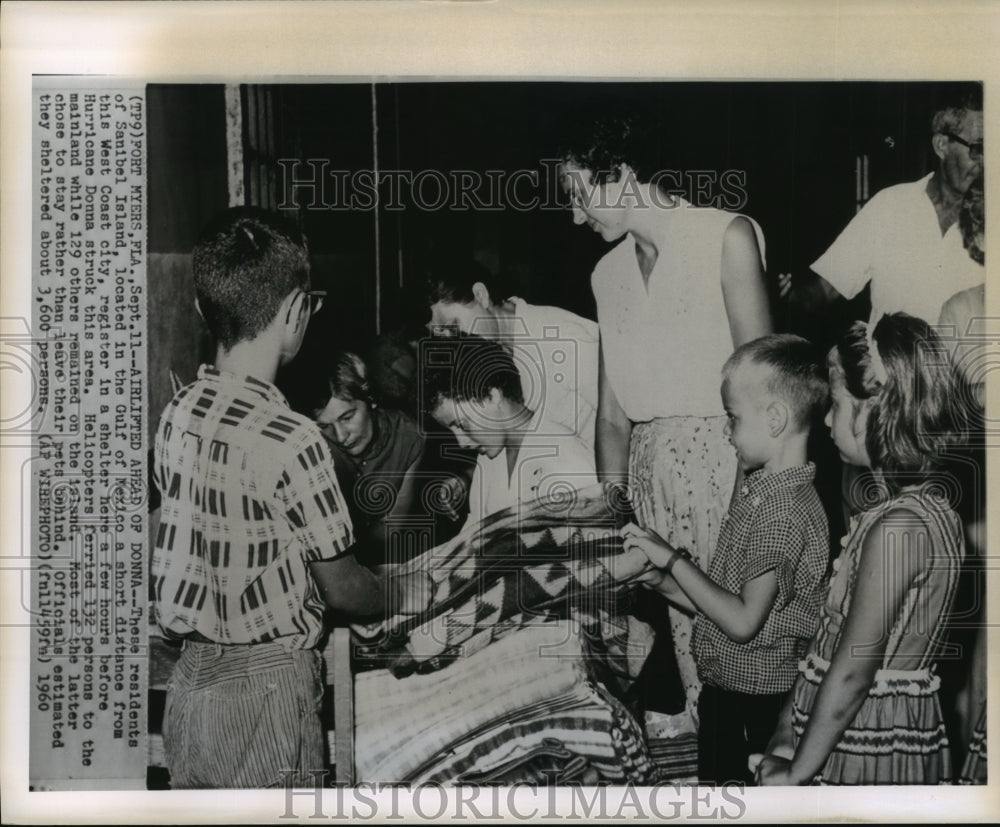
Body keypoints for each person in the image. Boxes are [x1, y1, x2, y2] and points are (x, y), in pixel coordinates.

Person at [150, 207, 429, 789]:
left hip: (189, 683)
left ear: (203, 310)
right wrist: (403, 587)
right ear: (298, 312)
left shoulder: (177, 414)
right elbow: (344, 589)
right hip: (271, 689)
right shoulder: (296, 439)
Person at [560, 114, 773, 720]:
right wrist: (618, 516)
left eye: (580, 194)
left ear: (623, 174)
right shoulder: (607, 274)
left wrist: (752, 512)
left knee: (742, 660)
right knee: (690, 673)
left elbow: (767, 391)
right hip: (651, 491)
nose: (576, 216)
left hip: (730, 476)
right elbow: (611, 419)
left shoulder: (725, 237)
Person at [758, 313, 968, 785]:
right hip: (836, 728)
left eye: (835, 405)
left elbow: (853, 671)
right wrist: (785, 731)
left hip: (863, 737)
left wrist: (796, 774)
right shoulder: (914, 513)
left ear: (877, 408)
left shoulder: (899, 528)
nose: (828, 420)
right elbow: (828, 643)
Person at [619, 334, 830, 785]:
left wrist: (675, 561)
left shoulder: (783, 512)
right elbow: (722, 603)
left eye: (732, 418)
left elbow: (741, 620)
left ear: (774, 419)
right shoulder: (759, 495)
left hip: (757, 700)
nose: (725, 430)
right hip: (729, 690)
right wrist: (663, 582)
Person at [780, 83, 984, 326]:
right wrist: (785, 293)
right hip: (889, 364)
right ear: (941, 145)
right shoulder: (890, 206)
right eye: (978, 148)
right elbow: (824, 290)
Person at [421, 333, 597, 529]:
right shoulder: (489, 458)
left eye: (462, 425)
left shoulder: (564, 453)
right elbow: (474, 535)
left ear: (492, 396)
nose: (462, 443)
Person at [425, 258, 600, 453]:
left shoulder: (563, 336)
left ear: (480, 295)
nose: (454, 342)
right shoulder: (492, 355)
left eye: (453, 327)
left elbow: (617, 421)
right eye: (442, 335)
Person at [311, 351, 425, 570]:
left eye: (347, 418)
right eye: (324, 425)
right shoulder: (312, 444)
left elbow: (391, 529)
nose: (341, 436)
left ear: (371, 400)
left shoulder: (410, 437)